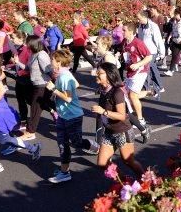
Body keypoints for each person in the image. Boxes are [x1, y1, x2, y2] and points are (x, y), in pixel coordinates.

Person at [45, 49, 99, 183]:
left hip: (72, 117)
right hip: (63, 116)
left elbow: (68, 98)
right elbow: (76, 84)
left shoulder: (64, 77)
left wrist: (53, 89)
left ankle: (94, 146)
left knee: (76, 142)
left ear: (58, 62)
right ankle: (65, 172)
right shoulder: (64, 74)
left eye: (52, 59)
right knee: (62, 144)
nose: (50, 62)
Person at [91, 62, 144, 177]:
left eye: (100, 73)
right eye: (97, 73)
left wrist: (103, 112)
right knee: (102, 163)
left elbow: (122, 115)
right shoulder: (103, 91)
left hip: (123, 132)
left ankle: (146, 180)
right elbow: (101, 116)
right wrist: (98, 135)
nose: (97, 75)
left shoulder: (117, 92)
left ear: (109, 75)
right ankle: (124, 182)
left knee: (128, 161)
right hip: (109, 133)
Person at [0, 52, 41, 173]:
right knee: (4, 140)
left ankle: (32, 148)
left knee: (5, 139)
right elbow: (2, 75)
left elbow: (1, 89)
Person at [13, 35, 57, 140]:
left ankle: (31, 132)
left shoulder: (42, 55)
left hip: (43, 85)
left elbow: (49, 70)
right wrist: (17, 62)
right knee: (37, 104)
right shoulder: (33, 54)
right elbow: (27, 69)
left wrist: (55, 84)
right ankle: (59, 114)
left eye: (28, 43)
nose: (26, 45)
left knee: (35, 109)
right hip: (35, 85)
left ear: (33, 44)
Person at [121, 22, 151, 142]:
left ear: (131, 32)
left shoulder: (138, 43)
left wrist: (138, 64)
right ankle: (148, 92)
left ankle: (140, 119)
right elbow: (126, 56)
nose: (122, 32)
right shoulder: (124, 43)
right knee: (127, 96)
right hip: (130, 73)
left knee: (132, 95)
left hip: (140, 71)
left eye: (124, 30)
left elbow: (149, 57)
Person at [136, 10, 165, 96]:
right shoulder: (140, 26)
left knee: (147, 68)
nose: (138, 20)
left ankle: (146, 88)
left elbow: (158, 40)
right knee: (152, 68)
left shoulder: (153, 26)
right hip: (143, 52)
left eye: (139, 18)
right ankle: (158, 86)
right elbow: (140, 39)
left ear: (145, 17)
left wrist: (162, 53)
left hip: (152, 52)